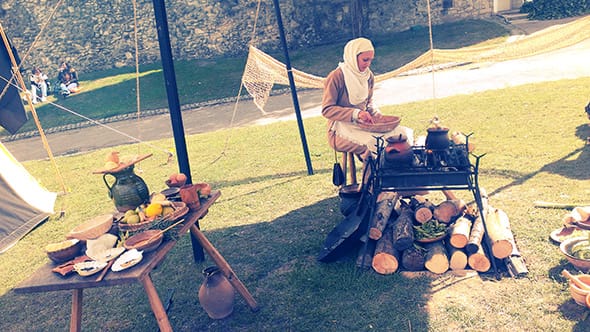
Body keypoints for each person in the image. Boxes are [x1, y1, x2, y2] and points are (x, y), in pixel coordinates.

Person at [322, 37, 413, 160]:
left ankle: (395, 176)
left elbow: (368, 103)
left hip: (363, 126)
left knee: (401, 135)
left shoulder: (368, 76)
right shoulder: (336, 77)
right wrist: (356, 113)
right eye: (365, 60)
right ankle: (371, 179)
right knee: (373, 145)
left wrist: (378, 117)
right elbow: (327, 110)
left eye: (370, 60)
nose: (368, 64)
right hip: (340, 130)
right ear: (353, 57)